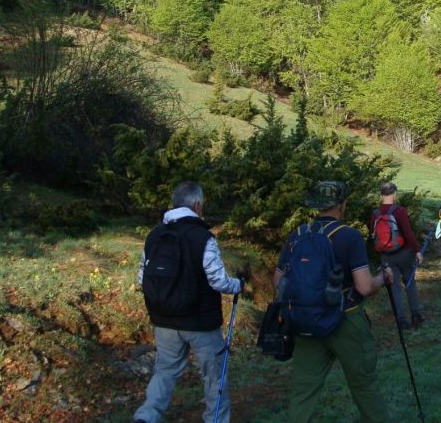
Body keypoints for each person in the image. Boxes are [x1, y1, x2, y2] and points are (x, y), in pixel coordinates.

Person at [273, 181, 394, 423]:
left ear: (315, 207)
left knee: (304, 391)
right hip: (346, 320)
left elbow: (278, 280)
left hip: (306, 322)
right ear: (342, 205)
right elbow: (364, 286)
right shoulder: (349, 236)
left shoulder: (298, 235)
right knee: (364, 386)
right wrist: (383, 277)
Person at [133, 182, 243, 423]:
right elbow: (217, 280)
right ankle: (215, 419)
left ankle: (147, 416)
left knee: (165, 370)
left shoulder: (155, 236)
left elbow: (142, 277)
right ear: (197, 205)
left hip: (164, 319)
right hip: (201, 322)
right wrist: (238, 285)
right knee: (214, 375)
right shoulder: (203, 237)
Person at [370, 181, 425, 330]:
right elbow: (408, 232)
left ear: (381, 195)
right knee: (410, 282)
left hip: (386, 255)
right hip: (404, 252)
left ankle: (401, 320)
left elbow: (373, 235)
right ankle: (415, 314)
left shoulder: (375, 213)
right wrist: (417, 250)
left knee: (394, 287)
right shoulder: (399, 211)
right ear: (394, 194)